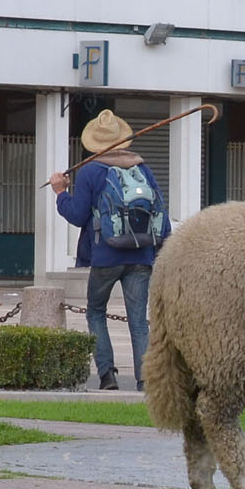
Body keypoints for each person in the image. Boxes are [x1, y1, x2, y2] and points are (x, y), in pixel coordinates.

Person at [49, 109, 165, 390]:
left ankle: (107, 375)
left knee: (96, 312)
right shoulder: (142, 169)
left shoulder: (90, 171)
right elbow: (161, 212)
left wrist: (61, 193)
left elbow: (77, 216)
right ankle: (145, 381)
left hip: (105, 255)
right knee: (138, 320)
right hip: (141, 255)